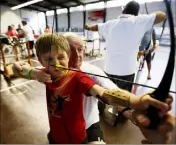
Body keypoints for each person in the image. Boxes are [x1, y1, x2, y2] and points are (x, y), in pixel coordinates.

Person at [12, 34, 173, 144]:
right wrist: (31, 72)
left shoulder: (85, 75)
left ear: (65, 55)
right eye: (50, 58)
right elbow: (16, 69)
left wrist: (136, 105)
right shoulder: (48, 73)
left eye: (80, 49)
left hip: (87, 127)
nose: (78, 54)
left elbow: (105, 94)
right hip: (57, 134)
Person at [85, 1, 166, 93]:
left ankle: (103, 106)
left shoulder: (110, 23)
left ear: (123, 11)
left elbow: (95, 27)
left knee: (107, 96)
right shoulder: (139, 21)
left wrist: (88, 27)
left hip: (109, 70)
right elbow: (162, 15)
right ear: (136, 13)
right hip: (127, 72)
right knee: (123, 100)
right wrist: (143, 16)